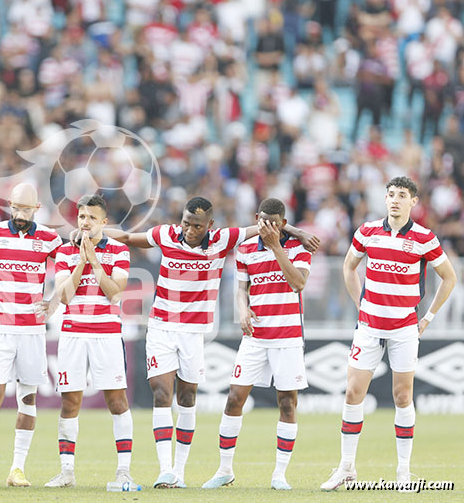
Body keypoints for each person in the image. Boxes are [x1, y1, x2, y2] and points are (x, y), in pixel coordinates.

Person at [104, 197, 319, 488]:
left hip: (197, 331)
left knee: (188, 398)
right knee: (161, 395)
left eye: (197, 226)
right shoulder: (166, 235)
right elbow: (129, 237)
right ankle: (167, 471)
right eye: (186, 223)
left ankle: (181, 471)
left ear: (210, 226)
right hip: (161, 326)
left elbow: (267, 227)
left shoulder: (222, 240)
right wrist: (94, 234)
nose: (190, 230)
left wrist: (297, 232)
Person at [321, 176, 457, 490]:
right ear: (385, 199)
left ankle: (403, 473)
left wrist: (428, 318)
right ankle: (346, 468)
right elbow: (348, 267)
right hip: (368, 327)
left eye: (402, 195)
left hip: (405, 329)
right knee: (353, 394)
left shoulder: (424, 238)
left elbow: (449, 278)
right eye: (391, 194)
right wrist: (361, 304)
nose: (395, 200)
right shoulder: (367, 231)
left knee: (402, 396)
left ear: (414, 202)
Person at [202, 198, 312, 491]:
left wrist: (277, 247)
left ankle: (279, 475)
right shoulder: (246, 249)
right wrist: (242, 308)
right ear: (256, 218)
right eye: (263, 222)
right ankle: (225, 470)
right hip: (255, 335)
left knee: (287, 403)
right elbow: (241, 288)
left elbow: (298, 284)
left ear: (283, 224)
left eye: (274, 223)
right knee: (234, 398)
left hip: (287, 337)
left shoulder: (299, 249)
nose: (267, 228)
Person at [44, 194, 138, 489]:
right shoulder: (64, 252)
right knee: (70, 401)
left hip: (106, 333)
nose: (85, 222)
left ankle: (123, 470)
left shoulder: (120, 251)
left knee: (117, 400)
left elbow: (115, 292)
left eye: (92, 218)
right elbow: (63, 296)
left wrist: (94, 260)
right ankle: (67, 472)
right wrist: (81, 262)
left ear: (104, 222)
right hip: (72, 332)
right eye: (82, 217)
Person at [0, 183, 63, 488]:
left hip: (31, 329)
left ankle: (17, 469)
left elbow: (69, 270)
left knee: (28, 397)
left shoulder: (49, 238)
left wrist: (53, 302)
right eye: (16, 208)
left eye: (27, 209)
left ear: (36, 209)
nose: (20, 214)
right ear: (9, 205)